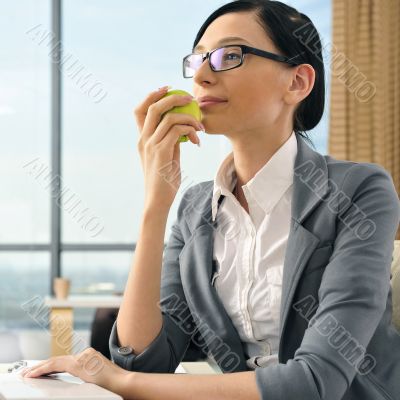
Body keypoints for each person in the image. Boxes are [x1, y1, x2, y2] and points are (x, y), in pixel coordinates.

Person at [21, 1, 400, 399]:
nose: (200, 75)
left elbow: (315, 383)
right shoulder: (196, 207)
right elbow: (146, 360)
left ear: (298, 82)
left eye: (228, 56)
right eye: (198, 59)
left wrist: (119, 380)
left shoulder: (361, 189)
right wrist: (156, 203)